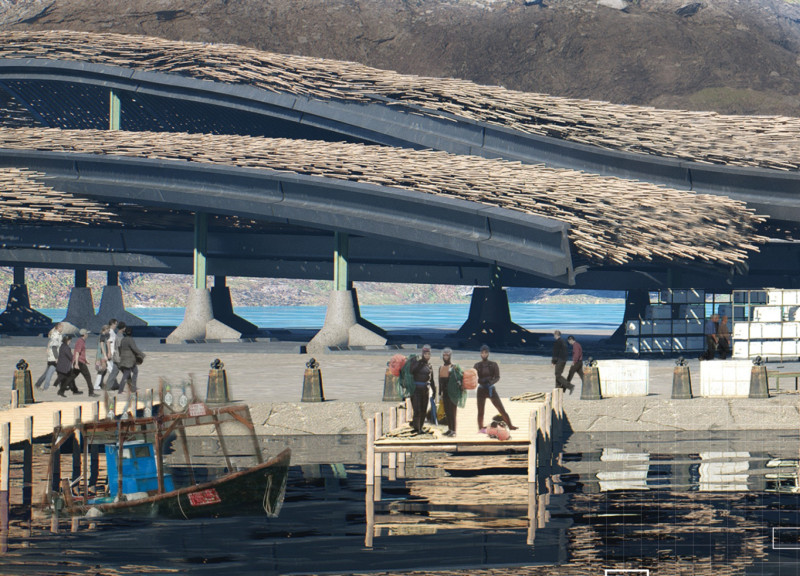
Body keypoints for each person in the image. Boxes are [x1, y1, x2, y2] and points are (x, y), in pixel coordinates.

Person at [474, 345, 517, 433]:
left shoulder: (493, 364)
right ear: (480, 354)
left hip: (491, 389)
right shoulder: (477, 365)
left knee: (501, 409)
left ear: (488, 353)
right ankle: (480, 428)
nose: (484, 354)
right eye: (482, 353)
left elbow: (497, 377)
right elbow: (474, 378)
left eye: (486, 353)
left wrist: (490, 382)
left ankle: (510, 425)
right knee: (480, 411)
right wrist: (481, 381)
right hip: (481, 390)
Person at [408, 344, 436, 434]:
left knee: (423, 409)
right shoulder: (417, 363)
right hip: (416, 390)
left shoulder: (430, 366)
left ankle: (420, 427)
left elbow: (432, 380)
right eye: (425, 354)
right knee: (417, 410)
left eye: (429, 354)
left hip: (426, 390)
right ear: (422, 354)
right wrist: (416, 363)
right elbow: (411, 371)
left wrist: (434, 391)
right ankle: (417, 428)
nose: (427, 356)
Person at [117, 326, 145, 394]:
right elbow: (135, 349)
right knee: (126, 374)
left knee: (135, 371)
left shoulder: (123, 340)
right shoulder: (130, 340)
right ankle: (121, 390)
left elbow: (120, 349)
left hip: (125, 360)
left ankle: (133, 388)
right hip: (129, 361)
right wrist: (142, 354)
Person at [35, 322, 63, 390]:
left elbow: (51, 344)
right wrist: (56, 357)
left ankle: (38, 384)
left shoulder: (57, 335)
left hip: (52, 357)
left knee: (47, 373)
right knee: (51, 373)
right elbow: (54, 347)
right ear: (58, 328)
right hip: (54, 358)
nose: (62, 328)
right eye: (61, 327)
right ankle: (46, 387)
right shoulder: (56, 335)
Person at [438, 348, 458, 437]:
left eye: (447, 355)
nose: (445, 357)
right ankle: (449, 429)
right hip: (444, 393)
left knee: (452, 412)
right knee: (447, 412)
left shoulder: (454, 367)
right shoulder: (440, 368)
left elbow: (457, 381)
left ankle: (454, 431)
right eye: (444, 355)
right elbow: (439, 381)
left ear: (450, 357)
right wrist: (439, 393)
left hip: (453, 393)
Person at [72, 328, 98, 397]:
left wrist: (85, 359)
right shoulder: (80, 341)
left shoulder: (81, 341)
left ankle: (69, 388)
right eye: (87, 334)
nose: (87, 335)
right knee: (88, 377)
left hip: (80, 361)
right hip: (79, 363)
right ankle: (91, 392)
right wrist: (77, 363)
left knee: (72, 377)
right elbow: (77, 352)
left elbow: (80, 353)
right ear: (84, 334)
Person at [106, 321, 125, 390]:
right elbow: (108, 342)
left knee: (114, 371)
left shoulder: (114, 333)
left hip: (115, 354)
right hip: (115, 355)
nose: (116, 325)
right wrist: (109, 352)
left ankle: (109, 386)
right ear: (112, 324)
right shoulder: (111, 332)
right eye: (115, 324)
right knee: (124, 372)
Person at [94, 324, 110, 391]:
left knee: (101, 370)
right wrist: (105, 355)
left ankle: (98, 385)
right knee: (103, 370)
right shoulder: (103, 336)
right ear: (105, 329)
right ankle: (97, 385)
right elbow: (102, 346)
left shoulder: (99, 336)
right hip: (101, 356)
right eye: (108, 330)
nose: (108, 331)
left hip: (99, 355)